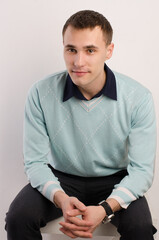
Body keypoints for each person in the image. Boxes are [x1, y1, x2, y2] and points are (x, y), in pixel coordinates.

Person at [5, 10, 157, 240]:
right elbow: (34, 161)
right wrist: (61, 199)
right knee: (18, 218)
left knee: (141, 228)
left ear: (109, 51)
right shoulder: (40, 92)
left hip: (115, 178)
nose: (78, 61)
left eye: (90, 50)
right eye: (71, 49)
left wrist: (106, 208)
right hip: (61, 178)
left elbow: (142, 171)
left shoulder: (138, 97)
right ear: (63, 48)